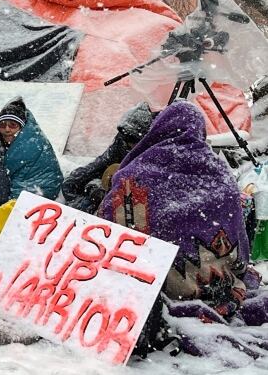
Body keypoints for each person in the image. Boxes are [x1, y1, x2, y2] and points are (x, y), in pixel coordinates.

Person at [98, 101, 252, 318]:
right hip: (212, 282)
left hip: (150, 284)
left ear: (158, 129)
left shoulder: (133, 173)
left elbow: (104, 230)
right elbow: (239, 245)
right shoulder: (222, 175)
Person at [62, 102, 154, 214]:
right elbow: (103, 162)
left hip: (136, 200)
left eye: (132, 143)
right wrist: (77, 179)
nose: (129, 146)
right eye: (127, 142)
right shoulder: (124, 139)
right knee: (75, 189)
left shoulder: (155, 154)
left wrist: (102, 193)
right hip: (115, 185)